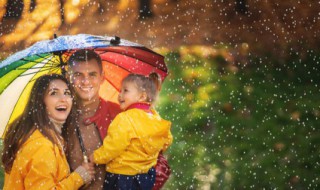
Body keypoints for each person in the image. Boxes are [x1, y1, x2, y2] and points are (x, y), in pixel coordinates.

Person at [2, 74, 95, 190]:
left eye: (67, 93)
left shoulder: (48, 136)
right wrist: (79, 177)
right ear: (41, 102)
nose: (63, 98)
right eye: (54, 93)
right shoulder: (41, 145)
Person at [90, 73, 173, 190]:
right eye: (120, 91)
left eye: (125, 91)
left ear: (142, 96)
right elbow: (167, 141)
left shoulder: (125, 118)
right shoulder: (155, 117)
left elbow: (113, 147)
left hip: (121, 177)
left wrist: (95, 157)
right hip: (146, 177)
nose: (120, 95)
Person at [64, 50, 121, 190]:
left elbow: (155, 164)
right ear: (68, 77)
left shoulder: (120, 114)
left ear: (102, 77)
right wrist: (77, 178)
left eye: (92, 74)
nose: (86, 81)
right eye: (78, 75)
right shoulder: (59, 118)